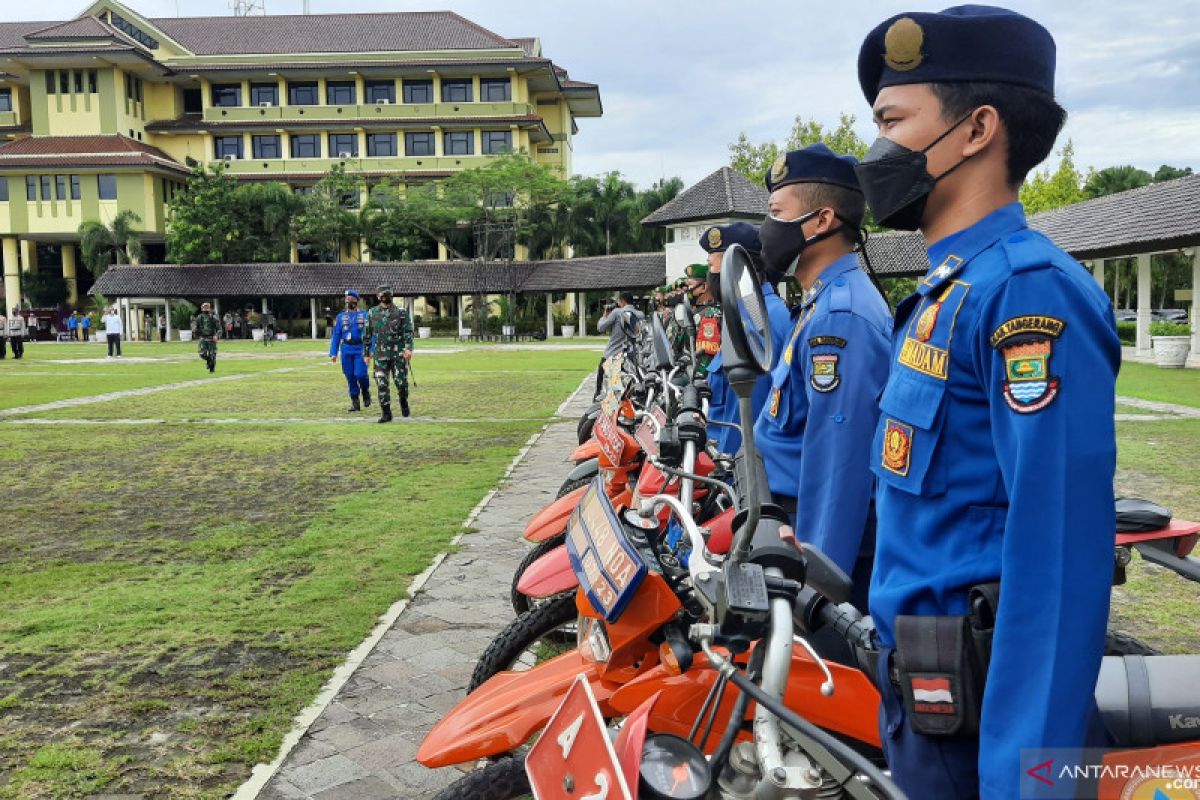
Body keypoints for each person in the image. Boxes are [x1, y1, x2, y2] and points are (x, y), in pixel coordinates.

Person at [853, 8, 1120, 798]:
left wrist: (1028, 778)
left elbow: (1059, 560)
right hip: (921, 694)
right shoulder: (949, 290)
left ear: (976, 131)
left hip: (982, 731)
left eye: (894, 122)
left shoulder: (1026, 294)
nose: (877, 151)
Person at [751, 144, 892, 600]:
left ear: (821, 220)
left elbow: (839, 462)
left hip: (810, 531)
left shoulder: (841, 315)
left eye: (775, 212)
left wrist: (814, 581)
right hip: (785, 514)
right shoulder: (820, 303)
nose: (766, 228)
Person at [698, 223, 791, 456]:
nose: (711, 277)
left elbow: (748, 411)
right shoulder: (747, 311)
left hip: (736, 465)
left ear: (739, 267)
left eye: (713, 266)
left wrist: (727, 466)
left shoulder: (760, 319)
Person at [364, 285, 414, 422]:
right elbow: (367, 334)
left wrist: (408, 348)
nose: (383, 297)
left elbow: (408, 332)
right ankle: (386, 413)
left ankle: (403, 400)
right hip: (380, 355)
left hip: (398, 354)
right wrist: (366, 354)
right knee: (381, 383)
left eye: (386, 295)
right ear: (378, 296)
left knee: (401, 383)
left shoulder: (401, 312)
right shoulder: (372, 313)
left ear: (391, 296)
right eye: (381, 295)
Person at [328, 289, 373, 412]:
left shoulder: (364, 316)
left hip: (361, 348)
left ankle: (365, 391)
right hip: (346, 349)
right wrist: (333, 352)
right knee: (350, 375)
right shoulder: (341, 317)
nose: (348, 302)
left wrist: (370, 350)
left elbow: (371, 334)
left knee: (360, 374)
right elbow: (336, 335)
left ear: (356, 301)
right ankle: (355, 402)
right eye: (347, 300)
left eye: (351, 300)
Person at [594, 292, 644, 399]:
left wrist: (604, 316)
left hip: (614, 352)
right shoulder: (640, 315)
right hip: (633, 355)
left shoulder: (617, 313)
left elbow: (601, 328)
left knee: (605, 378)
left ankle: (598, 398)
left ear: (622, 301)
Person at [191, 301, 222, 372]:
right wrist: (194, 330)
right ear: (202, 309)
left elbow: (219, 328)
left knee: (212, 354)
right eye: (204, 308)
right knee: (202, 354)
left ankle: (212, 369)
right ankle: (208, 361)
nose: (205, 309)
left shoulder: (213, 318)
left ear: (209, 309)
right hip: (203, 338)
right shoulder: (199, 318)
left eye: (207, 307)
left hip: (211, 338)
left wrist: (217, 336)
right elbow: (196, 327)